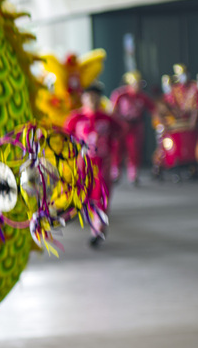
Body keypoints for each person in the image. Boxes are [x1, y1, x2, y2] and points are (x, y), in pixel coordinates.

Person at [65, 84, 123, 246]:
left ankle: (98, 227)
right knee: (87, 195)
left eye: (95, 97)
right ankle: (95, 224)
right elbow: (65, 141)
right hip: (82, 165)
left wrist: (116, 160)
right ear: (83, 99)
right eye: (89, 97)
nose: (92, 100)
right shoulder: (74, 119)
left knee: (102, 195)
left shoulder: (108, 119)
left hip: (103, 163)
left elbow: (119, 136)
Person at [109, 71, 155, 185]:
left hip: (136, 126)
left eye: (139, 83)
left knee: (134, 150)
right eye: (135, 83)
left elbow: (153, 109)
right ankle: (116, 173)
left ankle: (133, 174)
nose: (137, 86)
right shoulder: (120, 94)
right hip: (121, 125)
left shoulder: (143, 96)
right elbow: (113, 111)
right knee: (117, 150)